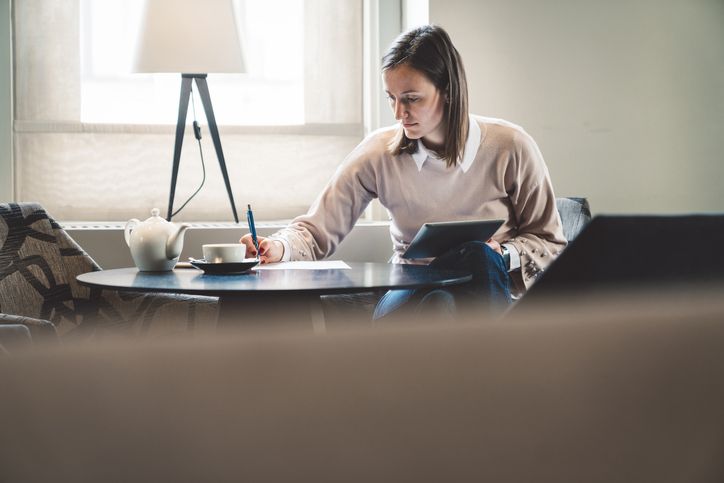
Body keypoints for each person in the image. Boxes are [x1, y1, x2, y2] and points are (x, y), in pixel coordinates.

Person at [241, 24, 566, 319]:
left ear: (448, 91)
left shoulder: (510, 146)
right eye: (391, 98)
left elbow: (550, 244)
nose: (399, 113)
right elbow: (316, 231)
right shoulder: (378, 153)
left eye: (411, 99)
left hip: (485, 282)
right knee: (440, 301)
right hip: (409, 288)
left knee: (474, 263)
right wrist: (277, 246)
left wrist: (504, 252)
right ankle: (491, 372)